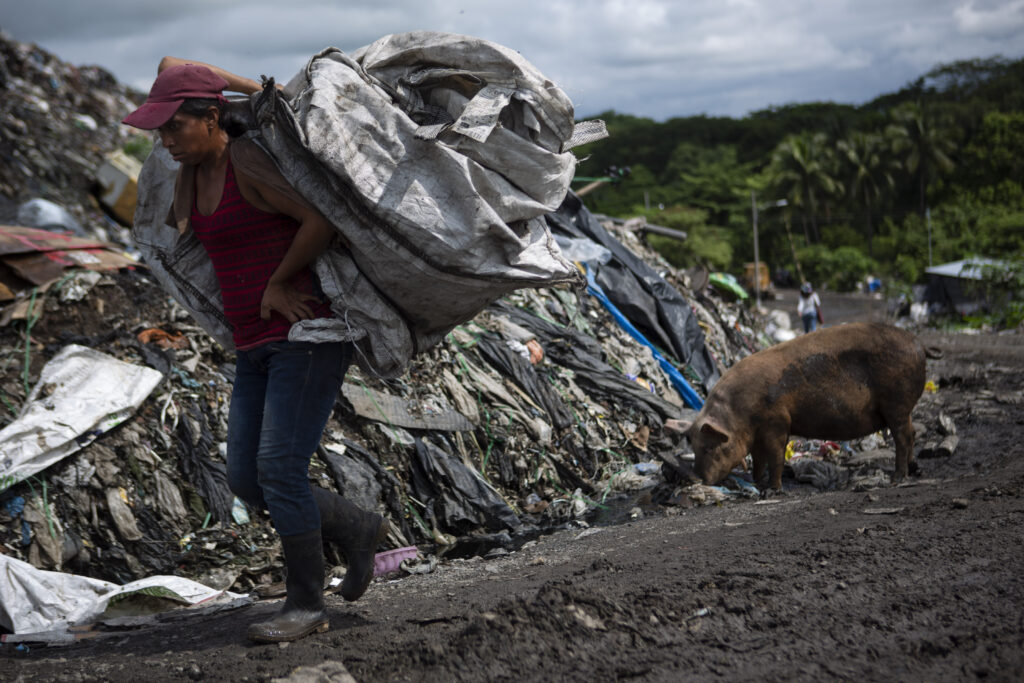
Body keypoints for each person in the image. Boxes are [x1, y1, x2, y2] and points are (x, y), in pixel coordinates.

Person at [123, 57, 388, 643]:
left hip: (306, 335)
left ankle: (305, 605)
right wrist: (232, 89)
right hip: (252, 342)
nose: (164, 140)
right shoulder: (188, 172)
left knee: (279, 470)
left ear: (211, 118)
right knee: (246, 478)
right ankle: (357, 526)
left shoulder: (249, 161)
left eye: (173, 126)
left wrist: (278, 281)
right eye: (160, 130)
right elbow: (170, 63)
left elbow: (317, 221)